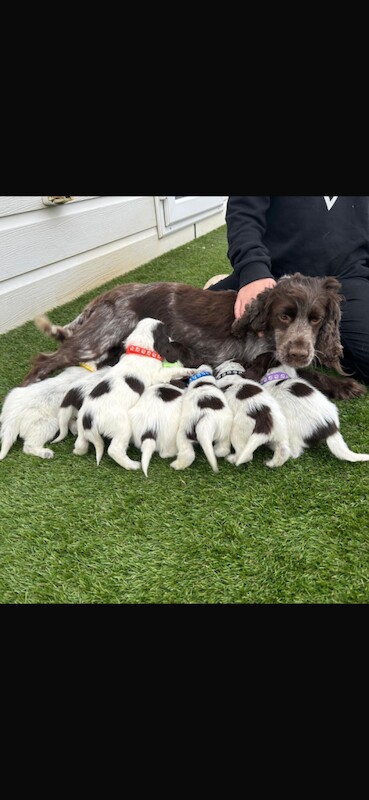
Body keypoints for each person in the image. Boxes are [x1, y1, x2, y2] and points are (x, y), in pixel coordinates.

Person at [206, 196, 369, 383]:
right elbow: (243, 212)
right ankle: (232, 286)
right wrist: (253, 271)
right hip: (273, 275)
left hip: (347, 277)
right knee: (192, 337)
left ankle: (321, 335)